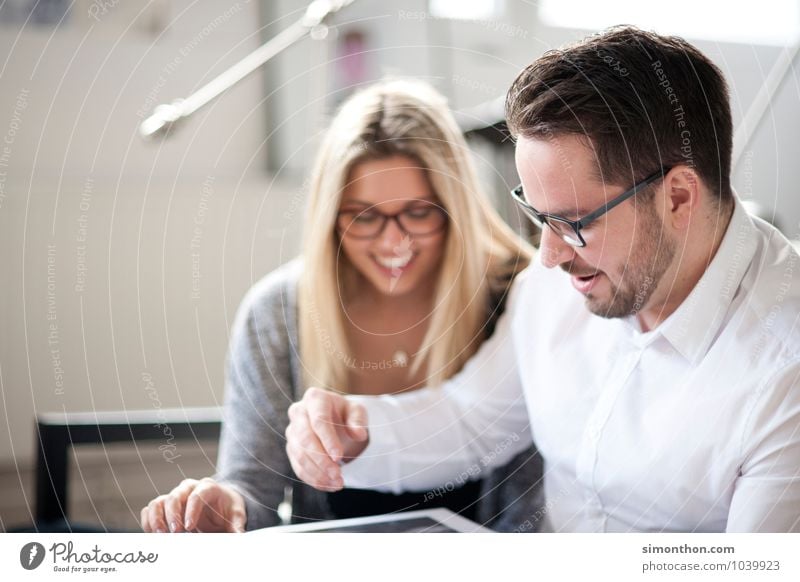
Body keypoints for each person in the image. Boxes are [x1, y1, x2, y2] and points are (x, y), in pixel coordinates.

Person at [285, 27, 800, 532]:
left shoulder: (783, 371)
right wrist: (354, 432)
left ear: (679, 198)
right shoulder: (564, 281)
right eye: (539, 216)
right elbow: (471, 423)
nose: (548, 256)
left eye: (576, 223)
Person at [139, 79, 541, 533]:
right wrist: (226, 504)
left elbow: (530, 500)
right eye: (365, 216)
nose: (395, 241)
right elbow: (254, 488)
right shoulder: (279, 312)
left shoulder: (518, 294)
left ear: (456, 206)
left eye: (419, 211)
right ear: (330, 215)